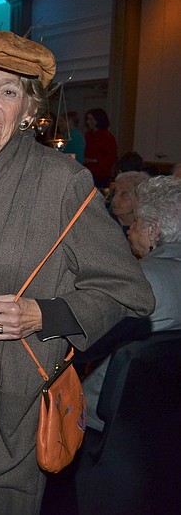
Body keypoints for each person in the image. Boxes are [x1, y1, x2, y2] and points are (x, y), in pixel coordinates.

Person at [0, 31, 154, 514]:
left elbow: (129, 292)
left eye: (7, 91)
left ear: (28, 111)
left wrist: (43, 314)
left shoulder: (61, 182)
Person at [79, 174, 181, 432]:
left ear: (154, 230)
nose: (130, 230)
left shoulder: (137, 280)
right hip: (165, 416)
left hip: (109, 414)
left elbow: (86, 343)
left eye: (136, 222)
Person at [83, 107, 117, 188]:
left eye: (91, 120)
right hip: (87, 173)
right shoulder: (87, 135)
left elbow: (109, 157)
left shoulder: (106, 137)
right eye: (87, 119)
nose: (88, 122)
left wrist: (91, 160)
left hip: (100, 175)